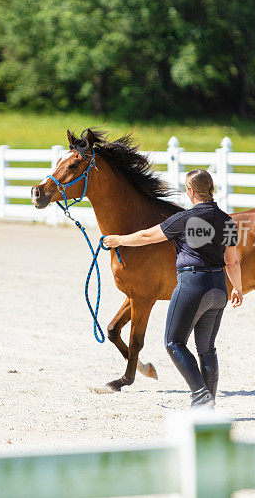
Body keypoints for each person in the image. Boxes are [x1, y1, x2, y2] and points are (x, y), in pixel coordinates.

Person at [103, 169, 242, 408]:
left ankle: (200, 395)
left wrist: (118, 240)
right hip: (219, 287)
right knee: (207, 348)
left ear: (190, 191)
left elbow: (148, 236)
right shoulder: (227, 221)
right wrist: (237, 288)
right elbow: (232, 261)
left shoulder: (184, 219)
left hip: (193, 284)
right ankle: (209, 402)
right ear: (210, 190)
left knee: (174, 342)